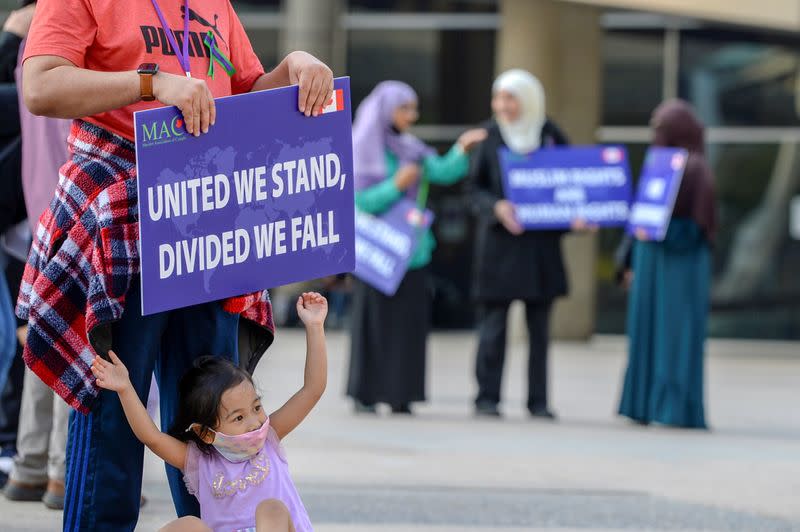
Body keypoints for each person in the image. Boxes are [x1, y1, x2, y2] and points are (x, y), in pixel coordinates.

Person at [16, 0, 333, 529]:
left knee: (214, 401)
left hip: (207, 212)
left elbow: (246, 94)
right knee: (116, 404)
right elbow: (41, 86)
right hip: (125, 213)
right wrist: (150, 84)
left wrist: (296, 67)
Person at [91, 292, 328, 532]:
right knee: (188, 524)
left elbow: (313, 389)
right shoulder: (199, 460)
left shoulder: (269, 437)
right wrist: (125, 388)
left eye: (256, 407)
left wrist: (315, 326)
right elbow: (151, 437)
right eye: (238, 417)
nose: (255, 421)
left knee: (271, 508)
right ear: (205, 433)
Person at [346, 81, 486, 415]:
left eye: (414, 108)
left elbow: (441, 171)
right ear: (386, 109)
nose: (413, 115)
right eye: (405, 108)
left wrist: (462, 148)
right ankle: (366, 393)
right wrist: (396, 185)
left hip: (411, 251)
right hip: (375, 252)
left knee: (408, 325)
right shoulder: (362, 146)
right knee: (373, 323)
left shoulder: (412, 148)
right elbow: (359, 200)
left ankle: (401, 394)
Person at [469, 69, 571, 420]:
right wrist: (495, 207)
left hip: (540, 250)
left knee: (540, 332)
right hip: (500, 249)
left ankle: (538, 402)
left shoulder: (550, 135)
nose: (503, 106)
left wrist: (579, 214)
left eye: (510, 98)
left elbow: (571, 182)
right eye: (499, 98)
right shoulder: (490, 137)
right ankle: (487, 398)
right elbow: (473, 190)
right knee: (493, 328)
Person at [3, 6, 72, 507]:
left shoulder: (37, 41)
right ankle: (62, 471)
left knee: (43, 339)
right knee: (81, 340)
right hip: (81, 202)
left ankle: (30, 466)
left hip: (39, 210)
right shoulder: (83, 38)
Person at [618, 99, 717, 429]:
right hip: (650, 265)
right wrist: (630, 260)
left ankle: (673, 407)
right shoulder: (658, 163)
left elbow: (698, 227)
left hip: (679, 266)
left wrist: (662, 233)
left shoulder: (697, 168)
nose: (654, 133)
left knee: (674, 336)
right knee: (645, 334)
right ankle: (642, 403)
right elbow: (641, 216)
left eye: (661, 127)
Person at [0, 0, 36, 487]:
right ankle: (15, 450)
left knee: (19, 342)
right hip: (24, 230)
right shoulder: (33, 86)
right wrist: (11, 35)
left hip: (31, 228)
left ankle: (20, 454)